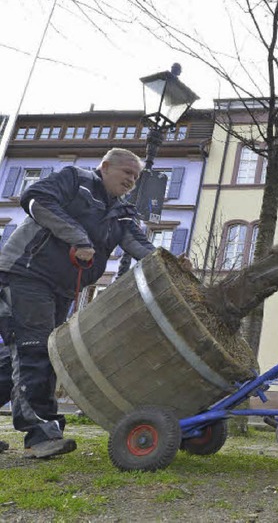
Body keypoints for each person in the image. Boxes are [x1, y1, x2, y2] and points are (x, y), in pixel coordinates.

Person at [0, 148, 189, 459]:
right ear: (105, 166)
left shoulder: (122, 212)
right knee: (35, 350)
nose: (132, 180)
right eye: (127, 172)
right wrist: (78, 237)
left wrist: (170, 264)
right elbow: (36, 199)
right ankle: (41, 436)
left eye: (136, 176)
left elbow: (140, 246)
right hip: (26, 274)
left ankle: (40, 428)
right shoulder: (75, 180)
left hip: (62, 288)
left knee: (22, 357)